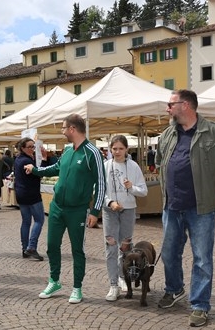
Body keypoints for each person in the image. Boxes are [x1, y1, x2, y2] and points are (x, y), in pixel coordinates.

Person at [155, 89, 215, 328]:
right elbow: (161, 161)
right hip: (172, 206)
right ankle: (174, 288)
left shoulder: (214, 132)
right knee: (169, 253)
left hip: (200, 208)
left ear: (187, 105)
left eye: (171, 104)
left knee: (202, 259)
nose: (167, 108)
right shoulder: (168, 134)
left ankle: (200, 305)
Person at [24, 113, 106, 304]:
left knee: (78, 249)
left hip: (77, 210)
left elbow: (101, 184)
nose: (62, 131)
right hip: (57, 207)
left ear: (72, 129)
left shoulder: (92, 153)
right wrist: (35, 170)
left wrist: (95, 211)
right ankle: (54, 281)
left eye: (63, 128)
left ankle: (77, 287)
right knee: (52, 246)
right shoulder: (68, 151)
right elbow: (56, 169)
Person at [102, 135, 148, 301]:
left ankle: (124, 278)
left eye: (121, 148)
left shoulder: (134, 166)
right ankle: (113, 284)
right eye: (114, 148)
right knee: (110, 248)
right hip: (110, 211)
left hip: (128, 210)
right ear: (110, 149)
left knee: (125, 248)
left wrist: (132, 187)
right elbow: (100, 190)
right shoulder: (105, 166)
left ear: (126, 149)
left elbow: (143, 191)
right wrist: (110, 202)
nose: (118, 151)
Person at [13, 137, 46, 261]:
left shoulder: (18, 159)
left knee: (26, 221)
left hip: (21, 194)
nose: (32, 149)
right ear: (23, 148)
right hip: (31, 194)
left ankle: (24, 248)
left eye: (33, 146)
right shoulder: (26, 161)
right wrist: (43, 159)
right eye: (30, 147)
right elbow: (40, 173)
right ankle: (31, 247)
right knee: (39, 220)